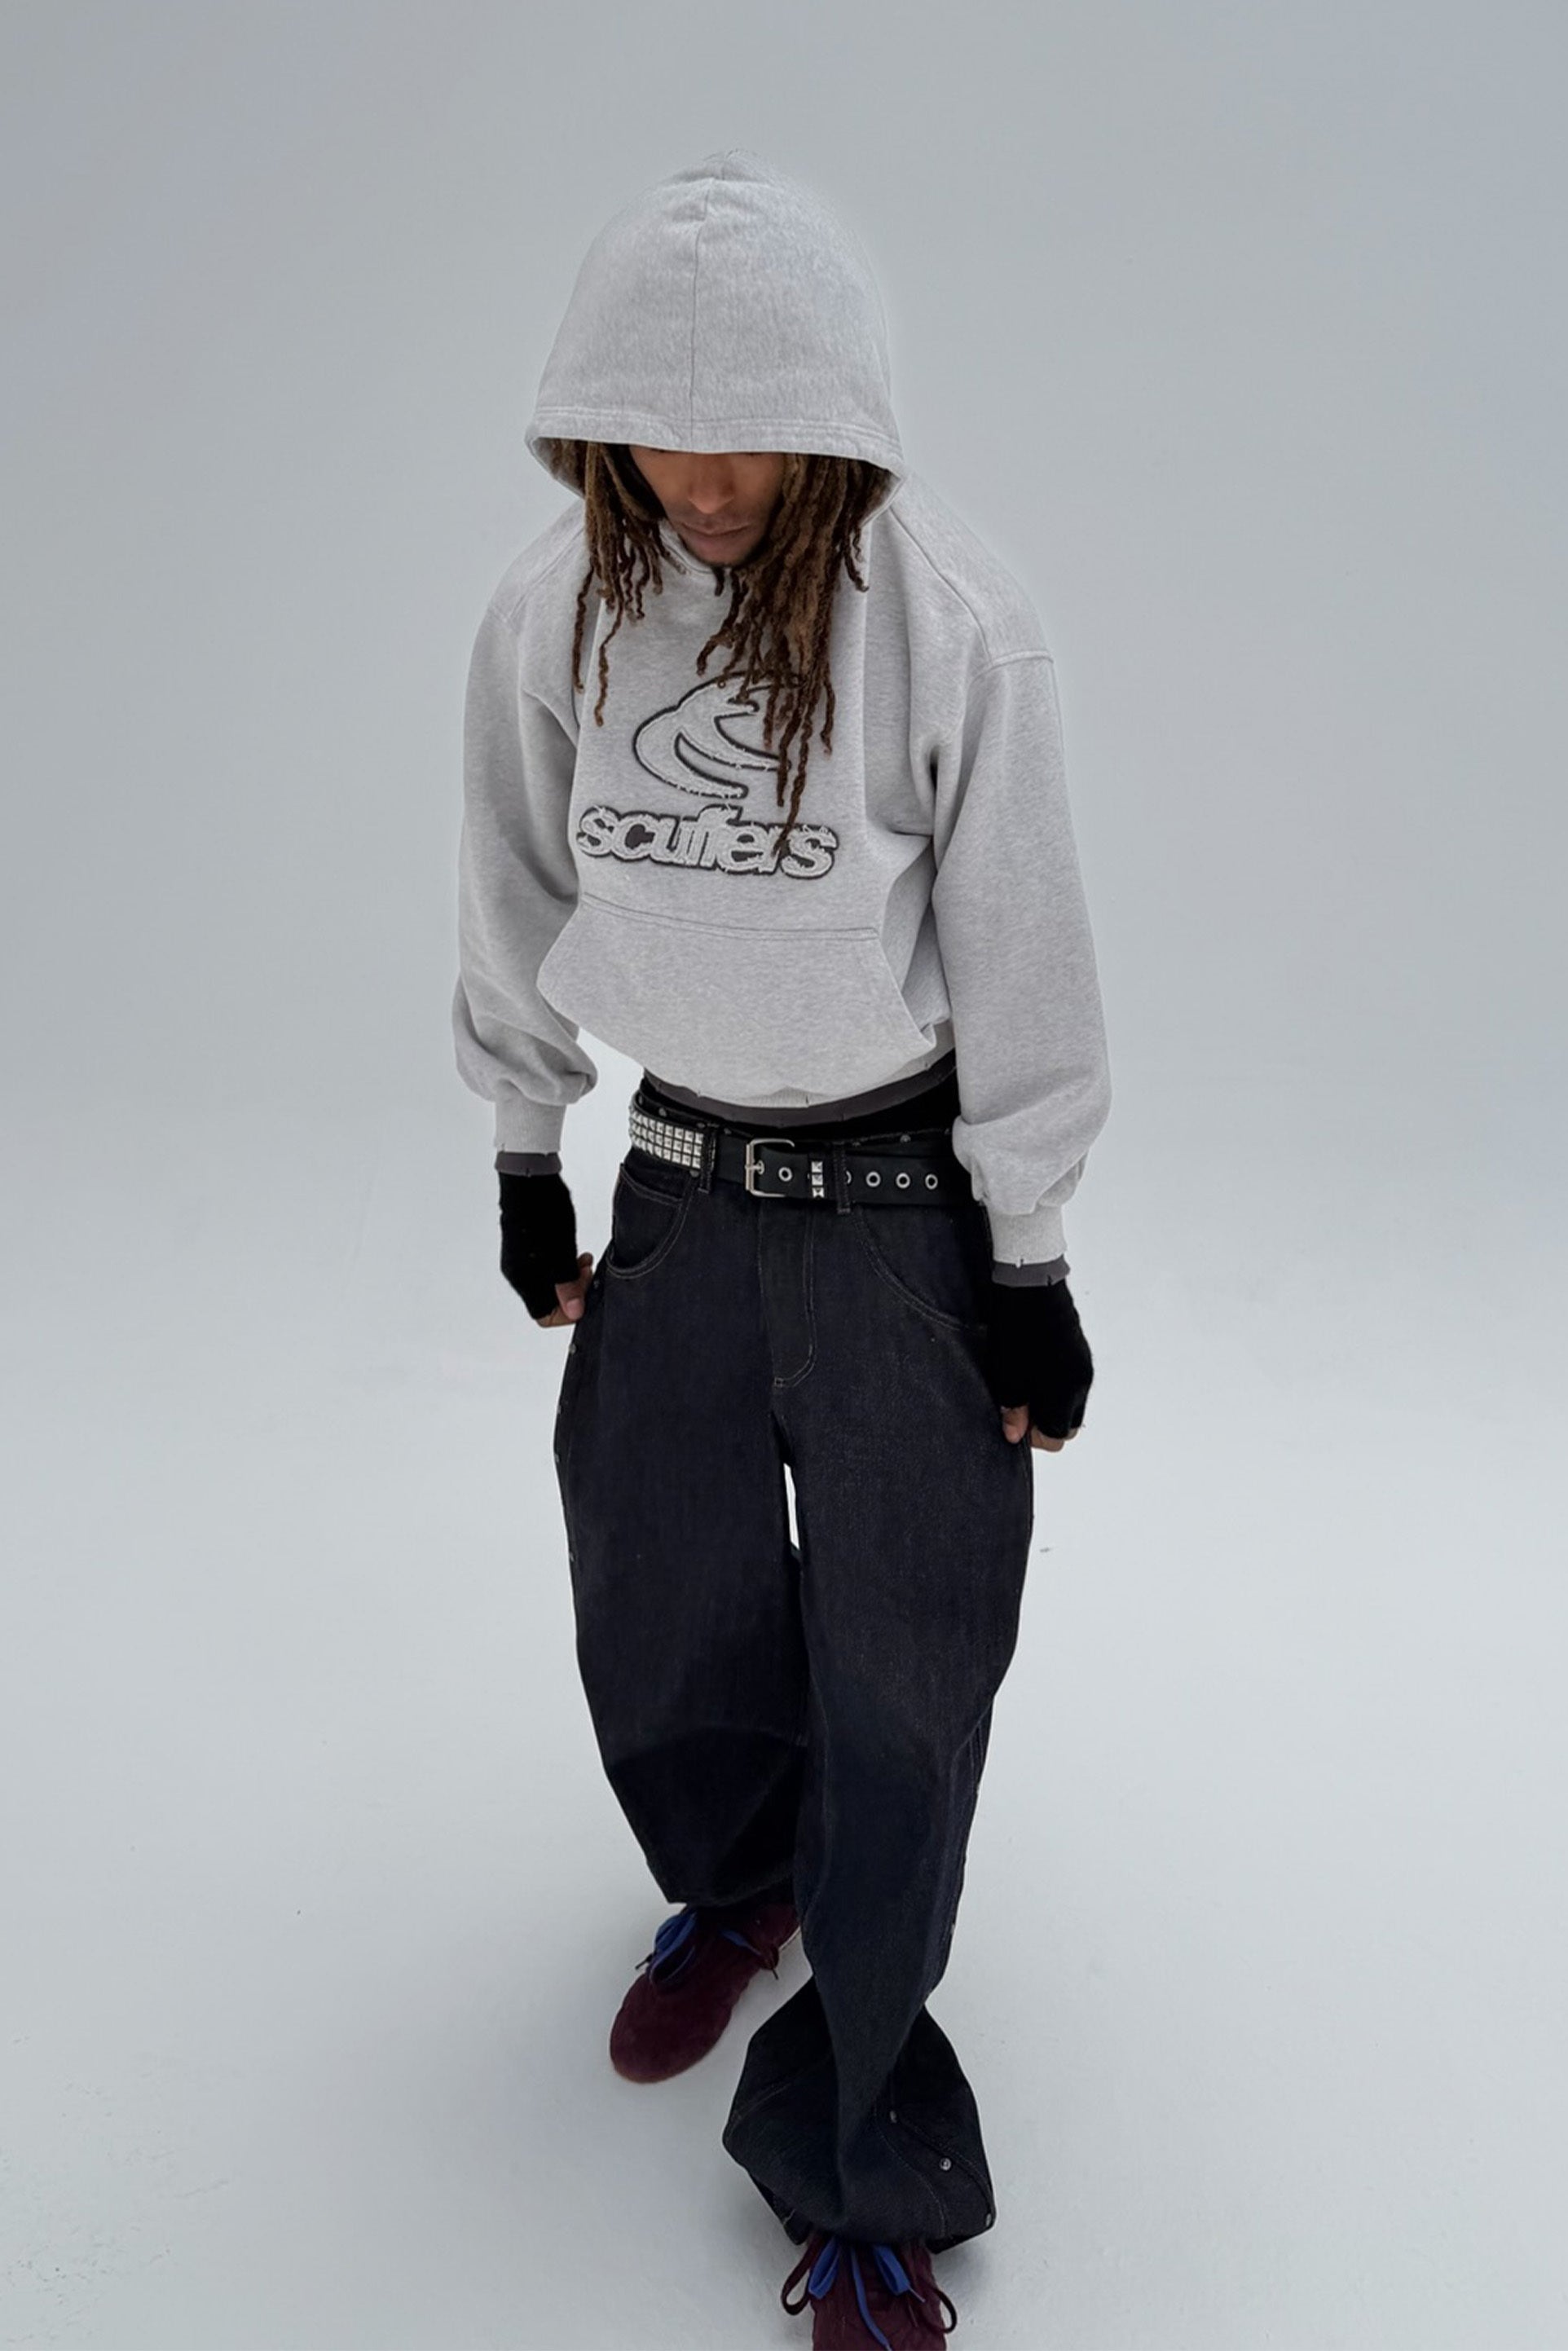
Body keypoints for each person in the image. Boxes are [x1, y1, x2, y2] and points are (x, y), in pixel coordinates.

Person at [451, 147, 1112, 2350]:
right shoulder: (551, 610)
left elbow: (1024, 952)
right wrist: (526, 1148)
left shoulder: (952, 621)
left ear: (833, 418)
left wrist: (1029, 1259)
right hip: (676, 1192)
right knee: (661, 1615)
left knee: (903, 1684)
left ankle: (859, 2161)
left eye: (746, 432)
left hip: (903, 1214)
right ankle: (740, 1885)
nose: (703, 478)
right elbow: (510, 882)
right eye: (656, 430)